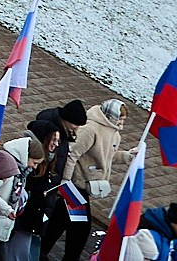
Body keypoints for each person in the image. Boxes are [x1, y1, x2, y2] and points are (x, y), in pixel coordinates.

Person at [41, 100, 126, 261]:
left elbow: (109, 157)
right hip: (74, 185)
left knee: (60, 221)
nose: (122, 123)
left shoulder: (115, 134)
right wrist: (65, 182)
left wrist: (127, 156)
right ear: (111, 116)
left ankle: (40, 250)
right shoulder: (91, 129)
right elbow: (72, 154)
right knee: (80, 227)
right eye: (120, 119)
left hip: (82, 187)